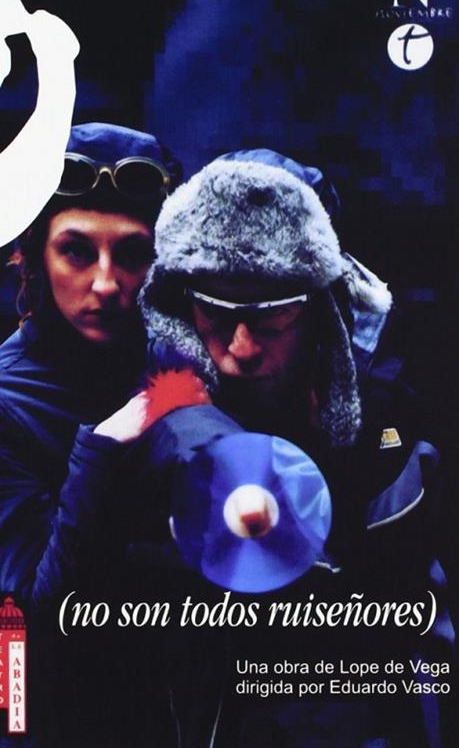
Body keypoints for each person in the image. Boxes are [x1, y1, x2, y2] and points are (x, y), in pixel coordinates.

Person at [126, 149, 454, 746]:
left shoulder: (392, 431)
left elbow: (425, 644)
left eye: (272, 317)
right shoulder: (134, 424)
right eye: (215, 312)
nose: (242, 348)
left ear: (322, 309)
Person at [0, 121, 182, 747]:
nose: (106, 283)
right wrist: (106, 447)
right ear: (36, 255)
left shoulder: (182, 355)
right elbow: (41, 614)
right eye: (77, 252)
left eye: (132, 255)